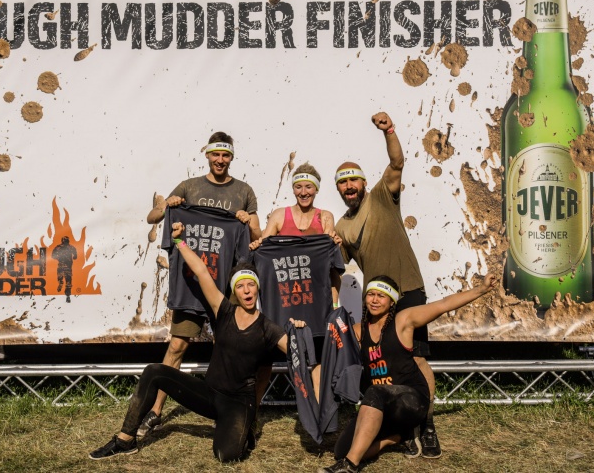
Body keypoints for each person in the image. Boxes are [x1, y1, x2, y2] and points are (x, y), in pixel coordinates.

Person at [89, 222, 302, 462]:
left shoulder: (268, 328)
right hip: (209, 395)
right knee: (153, 372)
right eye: (241, 286)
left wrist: (299, 333)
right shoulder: (224, 311)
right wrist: (179, 241)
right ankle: (125, 440)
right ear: (235, 291)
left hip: (238, 403)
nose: (247, 290)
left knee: (226, 456)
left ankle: (243, 427)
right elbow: (201, 272)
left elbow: (297, 354)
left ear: (257, 289)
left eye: (251, 285)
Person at [334, 111, 441, 458]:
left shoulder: (381, 195)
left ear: (363, 182)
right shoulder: (341, 226)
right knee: (382, 364)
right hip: (376, 302)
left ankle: (427, 425)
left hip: (407, 289)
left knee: (417, 359)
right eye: (342, 183)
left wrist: (389, 131)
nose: (349, 186)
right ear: (338, 189)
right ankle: (400, 428)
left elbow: (396, 163)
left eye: (353, 180)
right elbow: (335, 265)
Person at [140, 132, 261, 435]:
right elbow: (152, 217)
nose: (220, 160)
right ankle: (155, 410)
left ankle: (230, 409)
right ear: (207, 155)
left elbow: (257, 236)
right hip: (191, 283)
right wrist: (167, 205)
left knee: (229, 348)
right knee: (178, 345)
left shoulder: (244, 191)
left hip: (225, 287)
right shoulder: (189, 187)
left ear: (232, 157)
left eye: (226, 155)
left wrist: (247, 222)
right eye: (215, 154)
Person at [319, 274, 498, 473]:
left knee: (375, 391)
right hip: (380, 407)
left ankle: (350, 466)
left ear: (392, 302)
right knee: (341, 450)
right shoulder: (359, 330)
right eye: (371, 294)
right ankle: (396, 438)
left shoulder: (403, 321)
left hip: (411, 402)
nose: (375, 300)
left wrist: (481, 289)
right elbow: (331, 349)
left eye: (381, 296)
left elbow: (444, 304)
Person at [249, 163, 342, 406]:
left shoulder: (325, 217)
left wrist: (333, 306)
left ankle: (320, 413)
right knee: (265, 362)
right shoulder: (280, 215)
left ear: (316, 189)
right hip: (284, 304)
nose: (303, 192)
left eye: (308, 187)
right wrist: (258, 245)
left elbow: (332, 266)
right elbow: (264, 247)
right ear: (293, 189)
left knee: (317, 361)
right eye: (298, 187)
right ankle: (250, 414)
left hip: (314, 305)